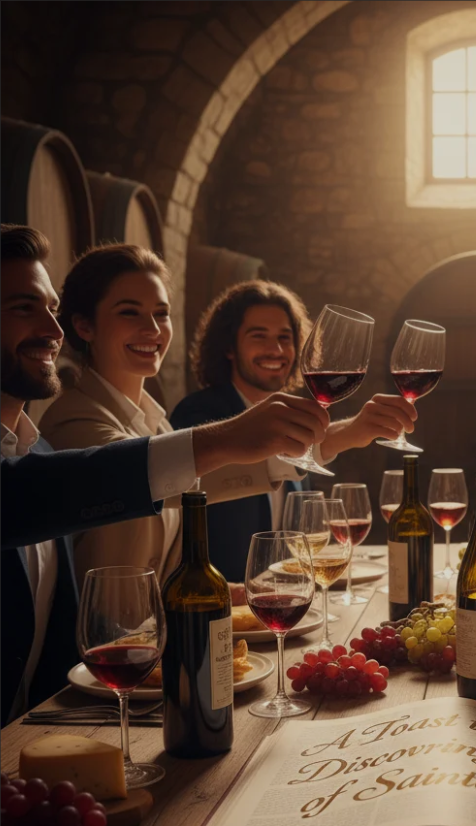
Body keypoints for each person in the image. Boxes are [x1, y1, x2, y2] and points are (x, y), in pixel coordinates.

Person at [0, 225, 330, 722]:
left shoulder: (43, 444)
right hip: (105, 691)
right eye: (24, 308)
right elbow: (92, 481)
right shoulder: (68, 428)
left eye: (161, 314)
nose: (52, 329)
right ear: (86, 325)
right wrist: (226, 440)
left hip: (87, 706)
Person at [38, 245, 342, 584]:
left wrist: (226, 593)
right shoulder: (73, 419)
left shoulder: (156, 422)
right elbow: (142, 476)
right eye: (129, 312)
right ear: (84, 325)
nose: (152, 328)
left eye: (161, 313)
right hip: (101, 637)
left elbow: (193, 498)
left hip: (156, 634)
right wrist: (238, 434)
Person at [170, 280, 416, 580]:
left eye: (284, 338)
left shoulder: (295, 418)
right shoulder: (199, 414)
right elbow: (219, 480)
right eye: (258, 336)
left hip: (285, 600)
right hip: (223, 606)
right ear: (229, 347)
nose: (275, 350)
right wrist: (345, 432)